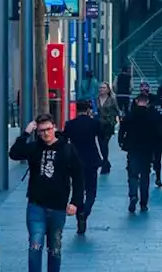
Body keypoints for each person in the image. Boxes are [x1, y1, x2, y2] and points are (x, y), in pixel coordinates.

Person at [9, 114, 84, 272]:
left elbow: (78, 177)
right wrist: (25, 133)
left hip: (58, 206)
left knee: (54, 249)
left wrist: (75, 202)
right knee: (35, 246)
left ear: (54, 128)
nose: (45, 134)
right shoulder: (35, 147)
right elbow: (14, 153)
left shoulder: (67, 149)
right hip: (37, 205)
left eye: (48, 129)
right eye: (41, 131)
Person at [62, 100, 104, 234]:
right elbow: (101, 140)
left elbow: (63, 141)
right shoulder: (94, 123)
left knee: (78, 189)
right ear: (88, 110)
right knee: (91, 190)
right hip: (91, 159)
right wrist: (104, 158)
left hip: (75, 160)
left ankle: (79, 215)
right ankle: (85, 212)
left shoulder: (70, 125)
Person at [118, 92, 158, 213]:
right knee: (145, 175)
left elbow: (122, 129)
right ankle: (144, 203)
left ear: (136, 101)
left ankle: (133, 194)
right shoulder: (151, 115)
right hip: (147, 148)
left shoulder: (130, 115)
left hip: (133, 147)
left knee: (132, 173)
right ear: (147, 102)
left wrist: (121, 141)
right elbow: (156, 133)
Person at [95, 82, 120, 174]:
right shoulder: (96, 100)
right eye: (100, 88)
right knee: (101, 144)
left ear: (108, 89)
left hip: (108, 124)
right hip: (98, 124)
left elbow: (117, 111)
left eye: (104, 88)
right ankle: (106, 162)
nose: (101, 89)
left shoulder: (112, 99)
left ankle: (105, 163)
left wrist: (114, 120)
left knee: (105, 143)